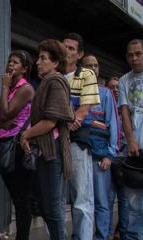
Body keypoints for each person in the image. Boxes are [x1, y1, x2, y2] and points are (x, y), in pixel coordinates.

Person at [20, 39, 74, 240]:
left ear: (55, 62)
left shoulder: (56, 82)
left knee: (52, 210)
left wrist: (25, 134)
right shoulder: (46, 83)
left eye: (43, 58)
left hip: (53, 155)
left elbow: (50, 121)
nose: (37, 62)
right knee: (47, 207)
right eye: (39, 57)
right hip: (45, 153)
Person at [0, 50, 34, 240]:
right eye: (9, 61)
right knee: (16, 194)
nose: (10, 65)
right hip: (3, 145)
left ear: (24, 69)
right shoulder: (8, 89)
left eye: (16, 63)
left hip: (17, 147)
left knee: (20, 198)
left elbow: (6, 113)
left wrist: (4, 88)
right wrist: (2, 122)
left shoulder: (26, 89)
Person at [63, 33, 100, 240]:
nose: (67, 52)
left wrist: (65, 123)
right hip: (56, 143)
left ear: (80, 54)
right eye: (64, 47)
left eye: (71, 49)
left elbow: (83, 111)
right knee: (56, 200)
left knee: (82, 200)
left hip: (77, 142)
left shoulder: (86, 74)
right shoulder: (55, 73)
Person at [82, 54, 119, 240]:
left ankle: (102, 236)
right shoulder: (77, 93)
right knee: (82, 202)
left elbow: (113, 124)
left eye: (96, 65)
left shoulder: (105, 94)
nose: (94, 69)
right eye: (89, 66)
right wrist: (95, 123)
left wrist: (110, 155)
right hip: (81, 155)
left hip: (100, 157)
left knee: (102, 202)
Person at [118, 39, 143, 239]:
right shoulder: (124, 80)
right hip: (134, 149)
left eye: (138, 53)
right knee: (134, 205)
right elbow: (124, 113)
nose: (134, 58)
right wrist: (131, 139)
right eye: (130, 54)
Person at [106, 76, 128, 240]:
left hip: (124, 161)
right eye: (112, 87)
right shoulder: (106, 108)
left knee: (124, 199)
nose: (115, 90)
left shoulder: (126, 111)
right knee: (107, 199)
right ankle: (106, 233)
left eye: (117, 87)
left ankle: (121, 232)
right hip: (108, 160)